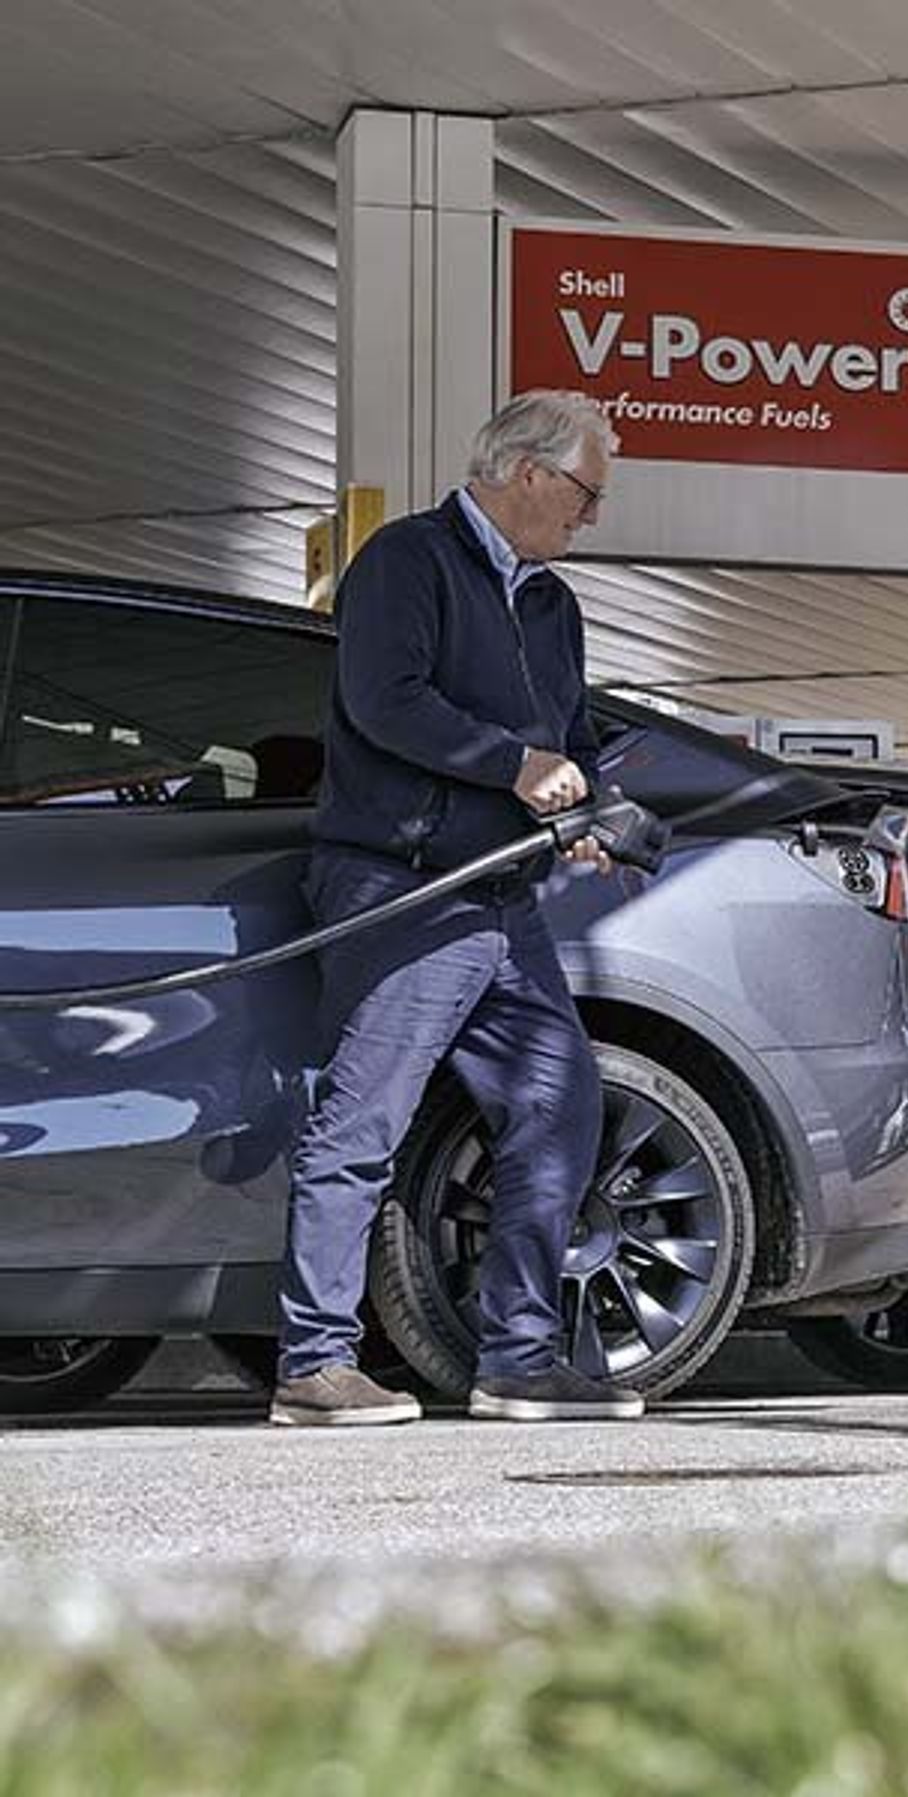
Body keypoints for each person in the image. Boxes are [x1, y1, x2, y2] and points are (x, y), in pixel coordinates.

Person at [268, 390, 640, 1427]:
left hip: (504, 894)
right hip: (406, 889)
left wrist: (592, 811)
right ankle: (314, 1364)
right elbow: (386, 703)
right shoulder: (406, 561)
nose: (590, 518)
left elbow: (569, 732)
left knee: (557, 1106)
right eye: (585, 494)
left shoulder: (552, 603)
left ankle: (518, 1357)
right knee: (364, 1119)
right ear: (527, 473)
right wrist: (514, 766)